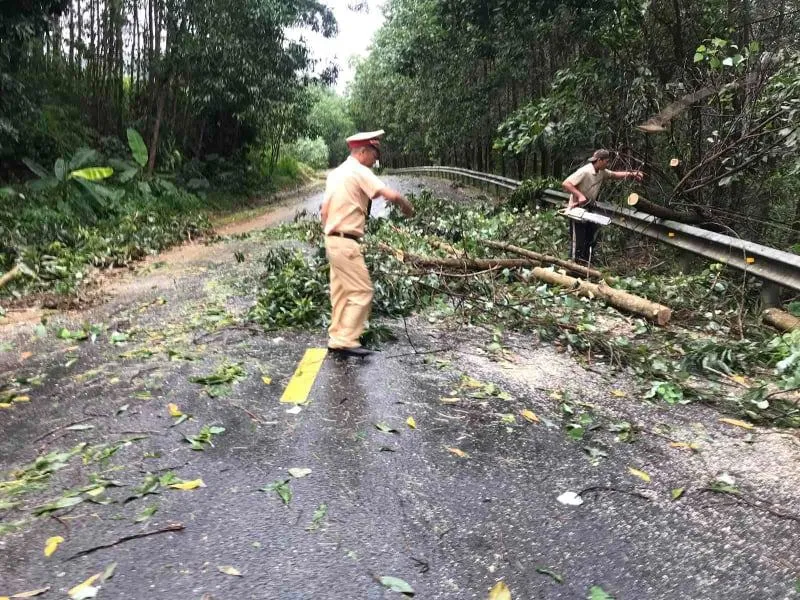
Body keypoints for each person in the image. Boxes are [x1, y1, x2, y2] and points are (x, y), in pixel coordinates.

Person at [320, 129, 414, 358]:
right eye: (374, 154)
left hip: (332, 240)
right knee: (362, 291)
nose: (375, 160)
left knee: (341, 293)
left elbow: (323, 211)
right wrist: (406, 205)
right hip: (346, 241)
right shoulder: (358, 170)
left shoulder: (336, 173)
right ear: (362, 151)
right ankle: (347, 340)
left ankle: (336, 337)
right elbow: (387, 194)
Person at [561, 149, 644, 265]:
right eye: (606, 161)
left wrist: (632, 174)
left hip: (589, 207)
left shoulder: (601, 171)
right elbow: (566, 183)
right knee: (578, 239)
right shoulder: (585, 171)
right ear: (599, 160)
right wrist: (579, 195)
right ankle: (573, 264)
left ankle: (585, 263)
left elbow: (614, 175)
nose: (607, 164)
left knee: (590, 236)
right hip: (577, 209)